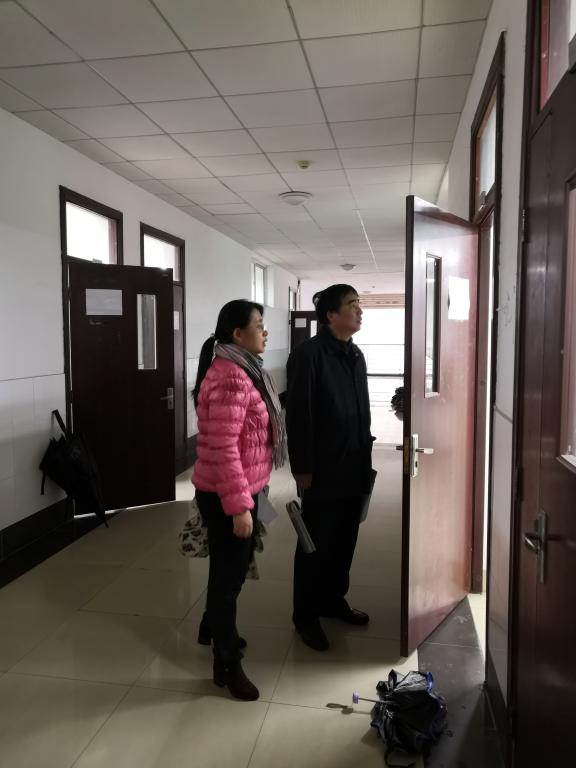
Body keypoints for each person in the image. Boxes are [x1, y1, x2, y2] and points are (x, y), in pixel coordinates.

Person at [192, 299, 286, 700]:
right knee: (229, 581)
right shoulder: (231, 376)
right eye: (259, 324)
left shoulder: (245, 369)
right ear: (238, 334)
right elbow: (224, 448)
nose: (265, 331)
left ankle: (211, 628)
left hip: (242, 487)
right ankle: (226, 664)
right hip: (229, 494)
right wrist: (240, 507)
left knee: (228, 571)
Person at [286, 284, 373, 651]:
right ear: (331, 315)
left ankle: (333, 600)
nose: (359, 311)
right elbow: (299, 415)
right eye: (352, 305)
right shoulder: (309, 355)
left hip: (355, 463)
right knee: (315, 544)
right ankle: (305, 615)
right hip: (322, 469)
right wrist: (302, 467)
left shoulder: (356, 355)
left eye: (359, 304)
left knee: (345, 540)